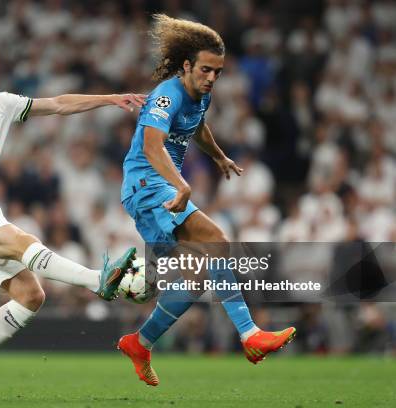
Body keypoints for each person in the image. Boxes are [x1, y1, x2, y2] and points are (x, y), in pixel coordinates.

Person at [0, 42, 144, 400]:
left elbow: (59, 104)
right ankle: (99, 281)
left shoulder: (1, 104)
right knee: (22, 238)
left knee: (32, 296)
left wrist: (109, 98)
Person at [116, 15, 296, 386]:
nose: (212, 77)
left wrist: (217, 155)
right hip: (147, 184)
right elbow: (152, 146)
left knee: (197, 279)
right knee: (216, 241)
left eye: (218, 71)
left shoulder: (201, 93)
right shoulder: (168, 94)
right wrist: (182, 185)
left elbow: (196, 125)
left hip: (160, 187)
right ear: (187, 66)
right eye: (205, 70)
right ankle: (250, 335)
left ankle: (140, 342)